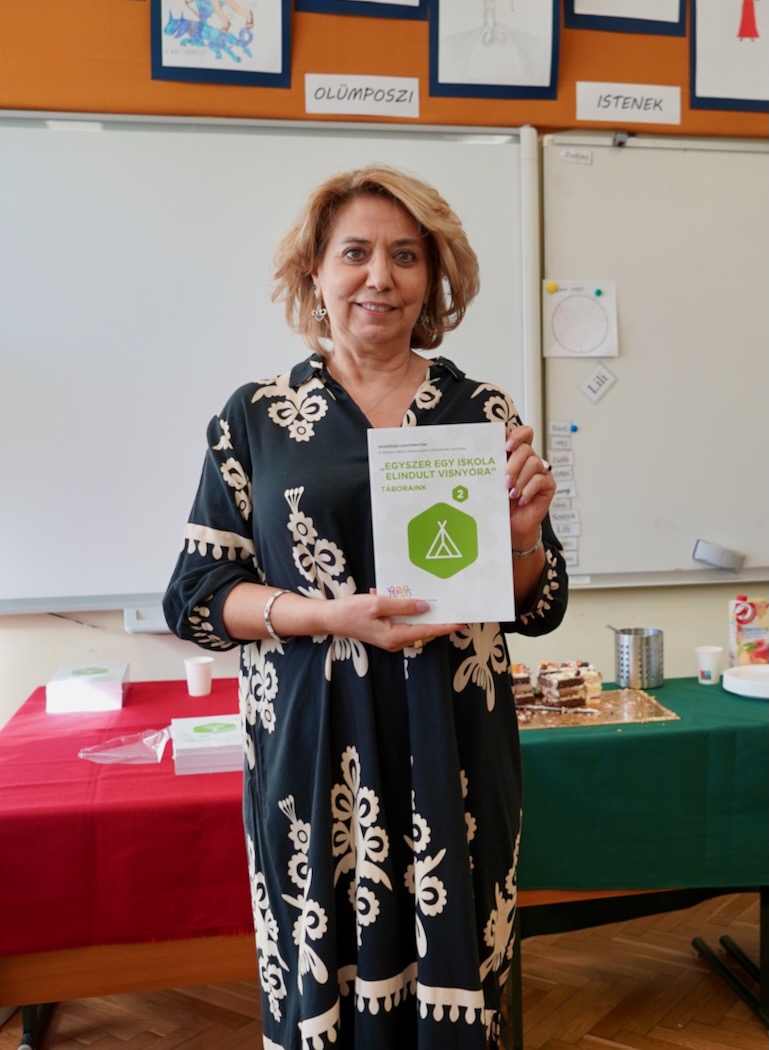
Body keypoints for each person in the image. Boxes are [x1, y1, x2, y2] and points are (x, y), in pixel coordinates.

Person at [163, 164, 568, 1050]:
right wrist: (327, 616)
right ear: (314, 269)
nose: (379, 277)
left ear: (433, 278)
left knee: (457, 991)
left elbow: (536, 606)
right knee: (323, 983)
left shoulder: (479, 410)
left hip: (454, 746)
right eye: (355, 253)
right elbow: (197, 599)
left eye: (405, 256)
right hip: (313, 756)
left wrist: (524, 537)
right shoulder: (255, 416)